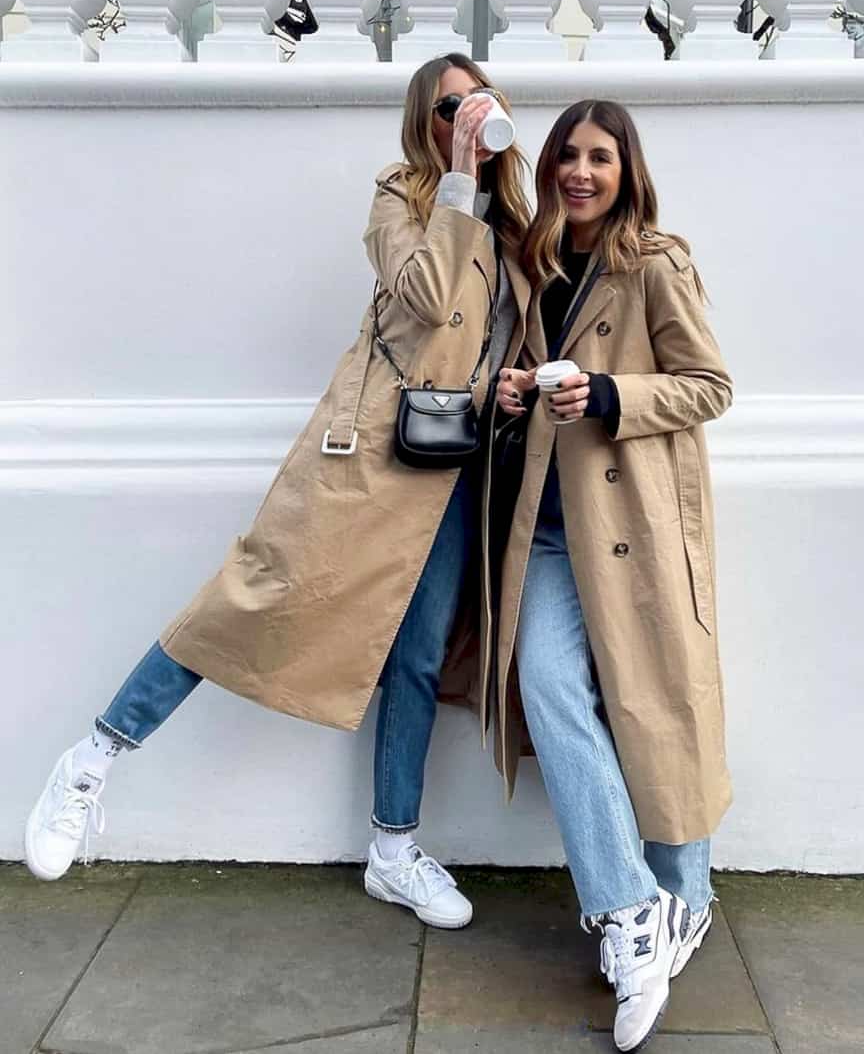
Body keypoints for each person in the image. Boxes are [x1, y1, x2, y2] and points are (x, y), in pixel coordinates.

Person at [25, 53, 532, 931]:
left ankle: (392, 846)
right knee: (248, 594)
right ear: (426, 118)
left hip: (451, 467)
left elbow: (478, 351)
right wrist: (455, 179)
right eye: (448, 103)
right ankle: (92, 757)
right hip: (368, 455)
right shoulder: (401, 196)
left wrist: (506, 389)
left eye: (475, 99)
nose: (465, 113)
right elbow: (420, 295)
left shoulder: (513, 225)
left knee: (412, 657)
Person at [493, 100, 733, 1050]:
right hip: (549, 527)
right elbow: (525, 371)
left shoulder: (653, 262)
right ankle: (634, 908)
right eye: (568, 156)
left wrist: (609, 393)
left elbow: (711, 385)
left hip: (632, 520)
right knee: (550, 685)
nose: (580, 172)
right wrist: (512, 390)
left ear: (627, 169)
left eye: (600, 157)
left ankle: (690, 892)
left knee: (659, 704)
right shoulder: (537, 262)